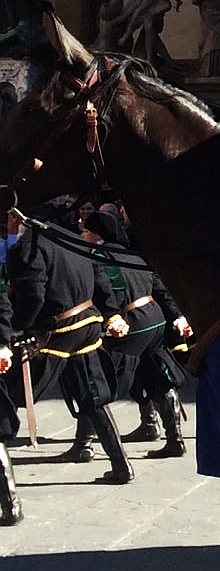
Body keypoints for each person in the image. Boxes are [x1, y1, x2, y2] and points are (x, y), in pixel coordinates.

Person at [0, 205, 133, 484]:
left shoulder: (27, 248)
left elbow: (33, 297)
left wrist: (16, 329)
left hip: (57, 330)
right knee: (93, 395)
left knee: (9, 392)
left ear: (16, 218)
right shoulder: (67, 237)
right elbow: (99, 280)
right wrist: (109, 313)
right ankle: (120, 465)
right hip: (88, 324)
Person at [80, 210, 192, 458]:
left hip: (132, 323)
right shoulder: (132, 254)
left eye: (86, 231)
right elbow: (159, 286)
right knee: (155, 374)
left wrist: (111, 316)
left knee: (99, 381)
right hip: (154, 319)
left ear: (97, 236)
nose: (82, 234)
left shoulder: (100, 257)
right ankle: (166, 433)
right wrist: (177, 315)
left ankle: (84, 444)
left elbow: (109, 289)